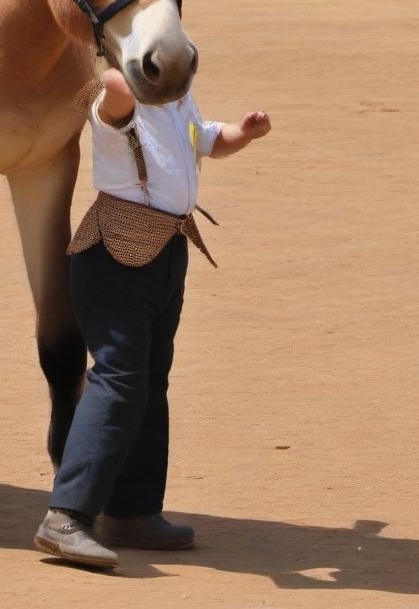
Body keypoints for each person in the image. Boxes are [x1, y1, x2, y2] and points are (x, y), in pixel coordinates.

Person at [34, 67, 271, 569]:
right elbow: (112, 91)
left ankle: (133, 511)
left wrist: (242, 135)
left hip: (166, 253)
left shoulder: (179, 102)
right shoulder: (118, 103)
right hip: (112, 257)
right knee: (120, 378)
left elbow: (207, 139)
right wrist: (124, 55)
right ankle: (66, 517)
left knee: (149, 381)